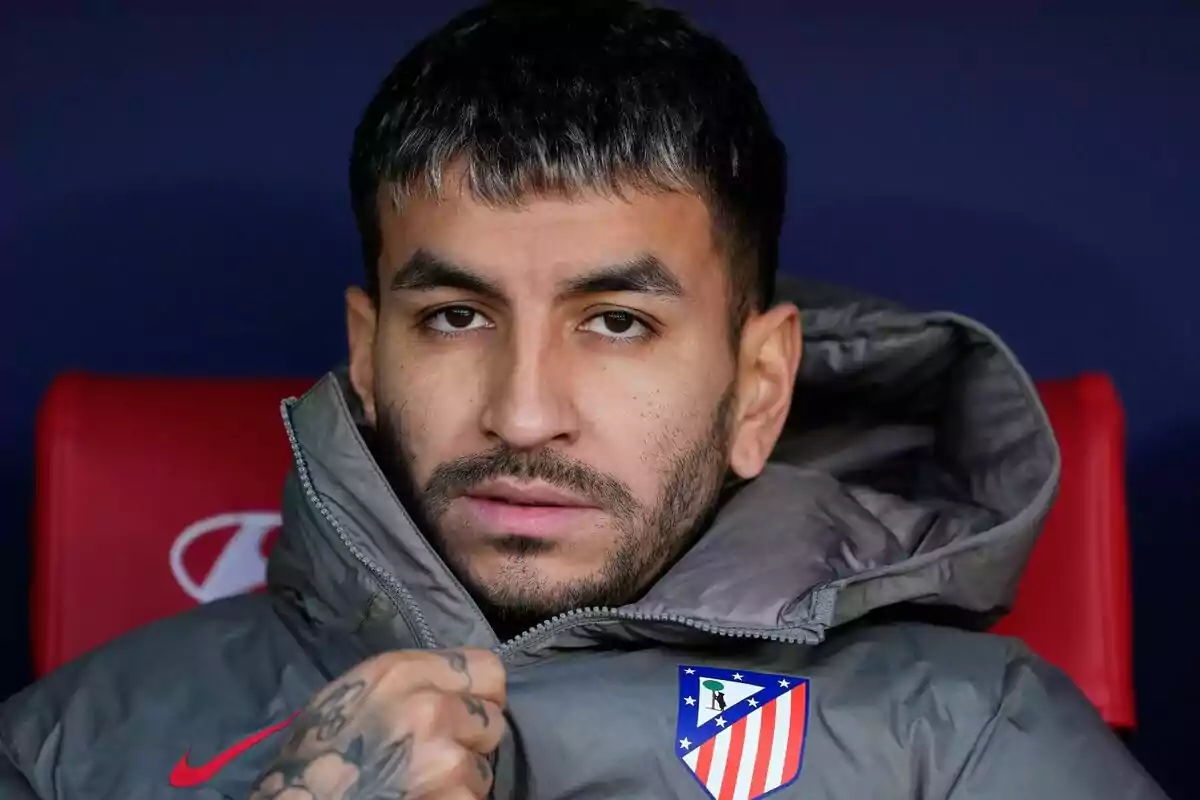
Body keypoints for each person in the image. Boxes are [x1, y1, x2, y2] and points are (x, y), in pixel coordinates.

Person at [0, 1, 1169, 798]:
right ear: (367, 353)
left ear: (759, 387)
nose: (521, 414)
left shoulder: (967, 740)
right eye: (455, 316)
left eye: (616, 321)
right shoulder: (66, 744)